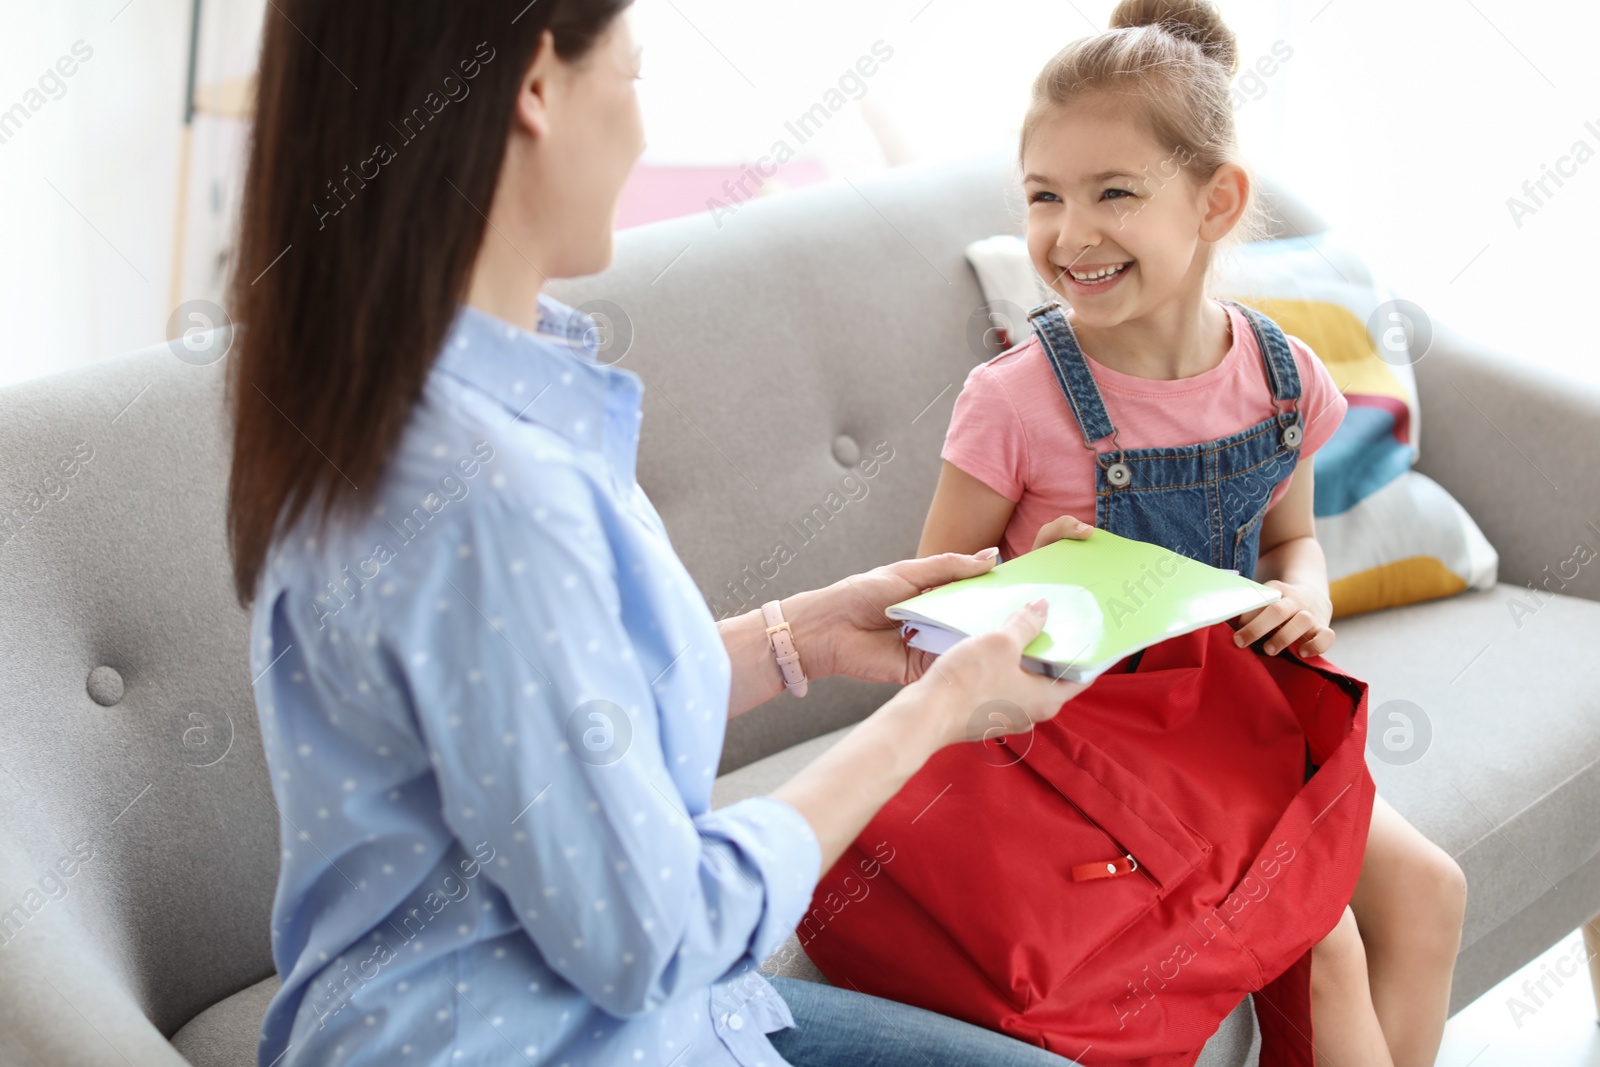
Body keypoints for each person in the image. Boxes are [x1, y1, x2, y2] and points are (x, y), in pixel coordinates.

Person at [224, 3, 1091, 1065]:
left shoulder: (435, 400)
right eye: (631, 78)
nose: (640, 133)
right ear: (535, 88)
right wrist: (942, 705)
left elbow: (551, 725)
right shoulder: (488, 493)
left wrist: (802, 633)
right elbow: (656, 931)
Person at [916, 3, 1467, 1065]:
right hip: (1081, 738)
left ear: (1215, 201)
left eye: (1113, 192)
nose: (1069, 234)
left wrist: (1303, 598)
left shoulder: (1280, 376)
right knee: (1328, 942)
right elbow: (927, 609)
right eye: (1044, 196)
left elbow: (1288, 547)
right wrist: (1031, 584)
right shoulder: (1012, 400)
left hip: (1237, 719)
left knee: (1431, 890)